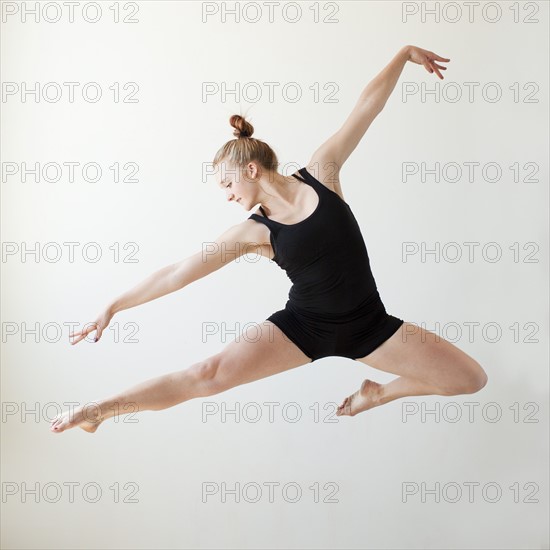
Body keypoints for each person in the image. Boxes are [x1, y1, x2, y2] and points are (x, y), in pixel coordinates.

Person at [51, 44, 487, 434]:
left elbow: (366, 108)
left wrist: (403, 54)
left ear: (252, 170)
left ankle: (377, 394)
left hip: (370, 325)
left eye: (227, 184)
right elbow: (178, 274)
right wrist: (113, 306)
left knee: (469, 379)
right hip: (303, 327)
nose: (226, 195)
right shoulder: (254, 231)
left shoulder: (323, 174)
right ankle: (100, 411)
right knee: (207, 375)